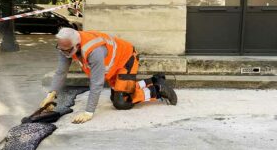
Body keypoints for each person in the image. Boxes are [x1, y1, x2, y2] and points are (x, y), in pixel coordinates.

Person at [40, 28, 177, 124]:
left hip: (126, 60)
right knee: (116, 95)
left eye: (67, 50)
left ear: (76, 45)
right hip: (114, 65)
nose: (64, 53)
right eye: (60, 49)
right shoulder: (65, 45)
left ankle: (157, 90)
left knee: (121, 102)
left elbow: (97, 83)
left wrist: (89, 112)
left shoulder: (94, 51)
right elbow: (60, 72)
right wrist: (51, 95)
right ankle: (154, 80)